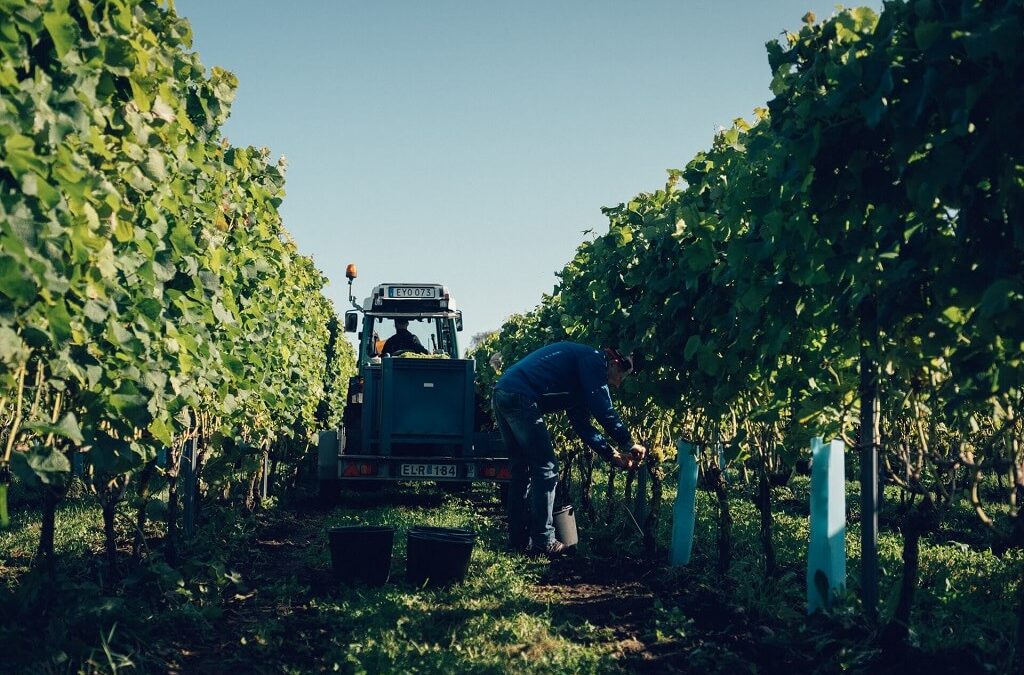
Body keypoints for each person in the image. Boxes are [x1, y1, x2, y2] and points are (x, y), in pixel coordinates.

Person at [491, 341, 646, 556]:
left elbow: (582, 426)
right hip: (520, 396)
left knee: (522, 471)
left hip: (503, 393)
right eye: (622, 374)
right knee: (546, 468)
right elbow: (604, 409)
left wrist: (612, 455)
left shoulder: (581, 380)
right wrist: (628, 442)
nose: (618, 383)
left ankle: (517, 541)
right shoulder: (594, 360)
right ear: (613, 362)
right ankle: (544, 541)